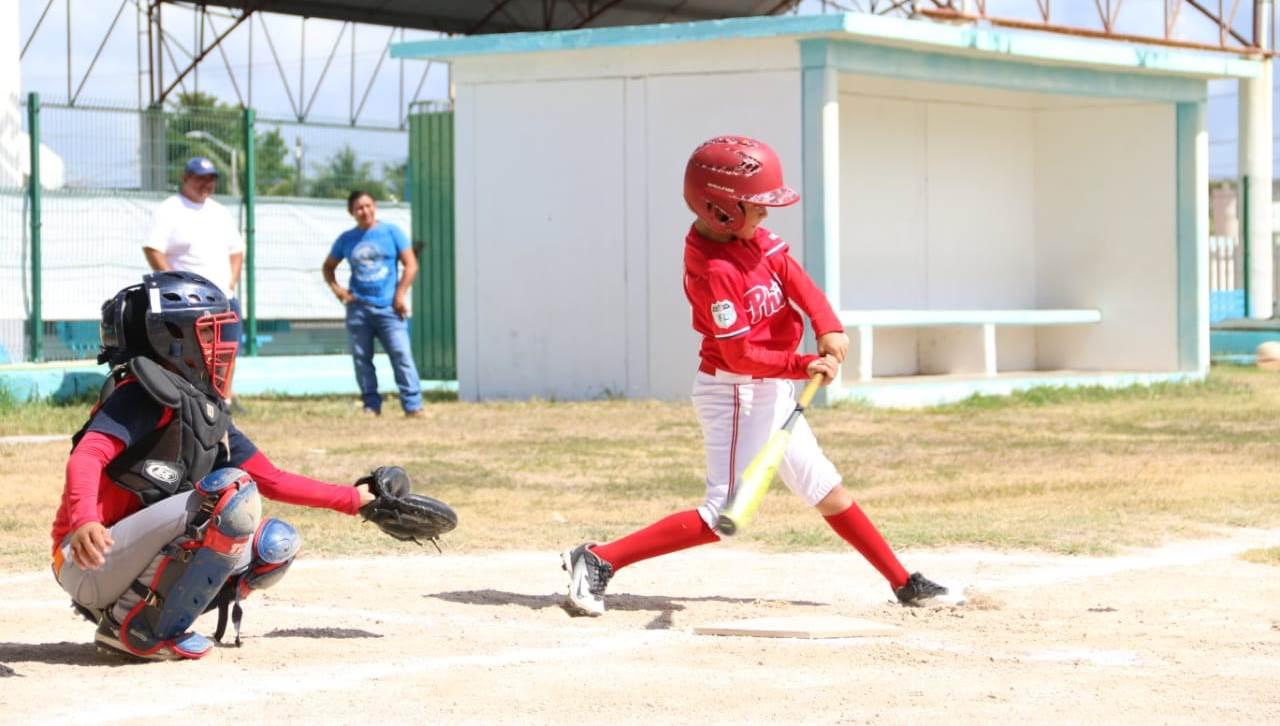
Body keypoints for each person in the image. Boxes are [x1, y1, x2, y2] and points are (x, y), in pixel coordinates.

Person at [561, 136, 951, 617]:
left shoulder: (749, 240)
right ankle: (598, 558)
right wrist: (802, 364)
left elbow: (791, 274)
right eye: (757, 206)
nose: (766, 216)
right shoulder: (714, 268)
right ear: (720, 209)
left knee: (826, 491)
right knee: (720, 515)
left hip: (772, 388)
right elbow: (740, 355)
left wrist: (826, 325)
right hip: (735, 392)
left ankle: (904, 583)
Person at [49, 270, 440, 661]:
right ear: (172, 338)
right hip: (86, 558)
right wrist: (84, 518)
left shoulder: (201, 409)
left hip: (123, 560)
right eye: (207, 332)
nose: (221, 345)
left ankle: (150, 620)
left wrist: (356, 500)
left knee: (275, 545)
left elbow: (272, 479)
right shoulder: (141, 394)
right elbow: (87, 455)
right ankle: (131, 627)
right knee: (229, 492)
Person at [322, 190, 424, 417]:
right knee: (362, 359)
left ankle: (413, 405)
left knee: (401, 354)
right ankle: (371, 405)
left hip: (390, 308)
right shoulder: (347, 239)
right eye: (359, 208)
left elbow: (411, 265)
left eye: (368, 205)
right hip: (359, 308)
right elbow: (328, 267)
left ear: (375, 206)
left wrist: (400, 295)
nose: (364, 211)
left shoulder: (392, 232)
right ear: (351, 212)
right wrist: (339, 291)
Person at [143, 156, 244, 314]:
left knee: (230, 340)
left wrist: (231, 284)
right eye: (200, 178)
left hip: (224, 301)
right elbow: (153, 249)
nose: (206, 184)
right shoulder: (168, 209)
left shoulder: (221, 212)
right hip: (187, 305)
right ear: (185, 178)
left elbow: (236, 251)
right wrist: (175, 286)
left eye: (211, 179)